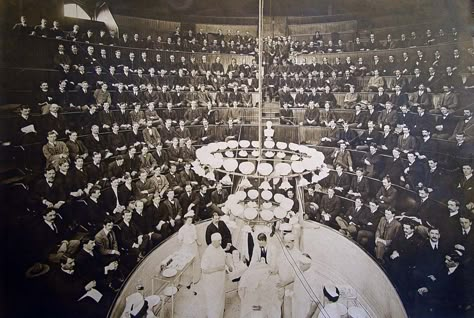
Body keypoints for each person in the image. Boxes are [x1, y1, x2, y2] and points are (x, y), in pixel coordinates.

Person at [200, 232, 233, 318]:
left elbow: (224, 256)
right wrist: (218, 268)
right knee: (213, 299)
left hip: (220, 278)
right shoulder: (208, 252)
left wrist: (229, 265)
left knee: (220, 296)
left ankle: (220, 312)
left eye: (220, 240)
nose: (221, 242)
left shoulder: (219, 247)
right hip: (212, 280)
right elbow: (204, 269)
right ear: (213, 241)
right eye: (219, 241)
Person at [177, 211, 201, 290]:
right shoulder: (182, 229)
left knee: (196, 261)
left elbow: (195, 236)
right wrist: (183, 249)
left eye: (191, 220)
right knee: (187, 265)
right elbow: (180, 240)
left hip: (193, 245)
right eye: (189, 220)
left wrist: (197, 242)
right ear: (185, 220)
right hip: (186, 247)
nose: (190, 222)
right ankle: (186, 282)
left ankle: (195, 278)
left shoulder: (193, 226)